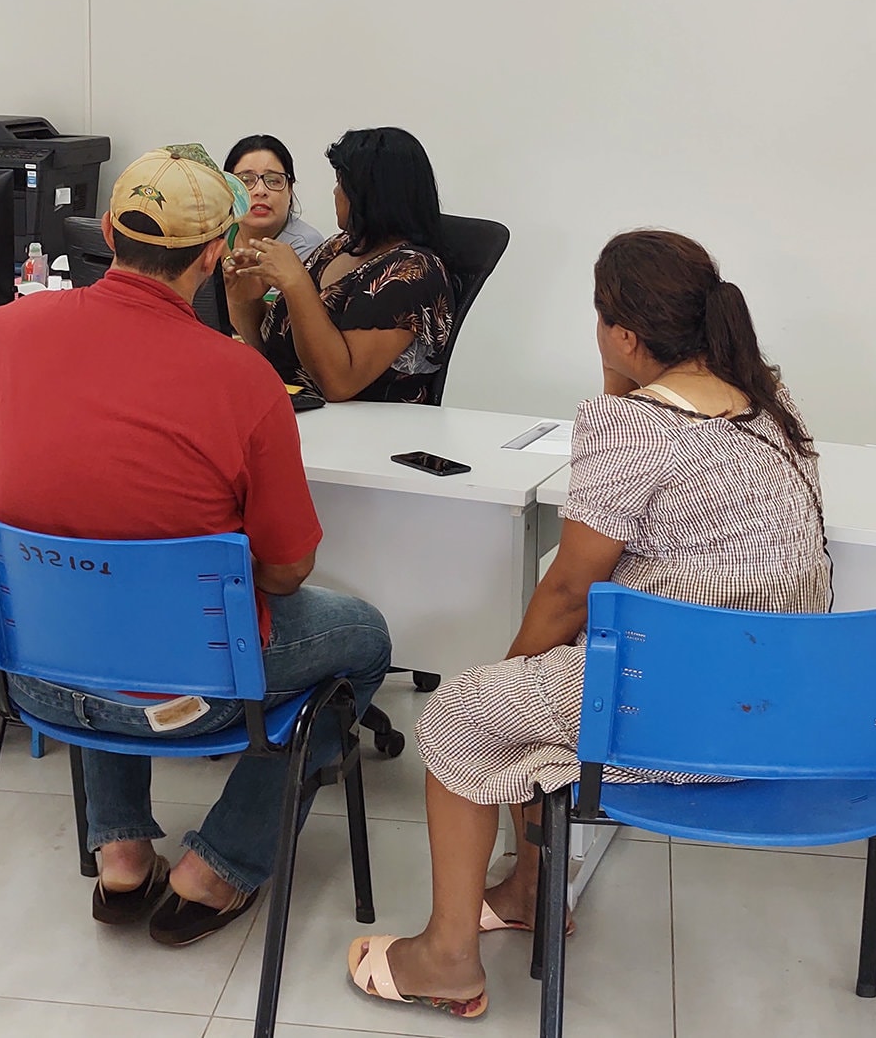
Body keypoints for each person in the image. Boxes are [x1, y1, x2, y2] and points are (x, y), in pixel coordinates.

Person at [0, 144, 392, 947]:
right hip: (196, 697)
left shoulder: (13, 330)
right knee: (365, 640)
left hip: (36, 681)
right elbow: (289, 570)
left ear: (108, 231)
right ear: (212, 253)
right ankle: (220, 864)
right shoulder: (241, 379)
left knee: (98, 588)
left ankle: (120, 853)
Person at [345, 230, 832, 1018]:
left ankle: (446, 957)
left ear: (626, 334)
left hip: (679, 713)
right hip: (777, 705)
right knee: (548, 688)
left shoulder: (632, 425)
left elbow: (570, 588)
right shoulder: (768, 402)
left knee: (467, 711)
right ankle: (532, 892)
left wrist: (505, 679)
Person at [227, 126, 454, 403]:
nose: (335, 193)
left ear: (370, 194)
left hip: (363, 433)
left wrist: (296, 282)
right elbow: (271, 350)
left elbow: (338, 384)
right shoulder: (337, 247)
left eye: (341, 183)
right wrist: (243, 298)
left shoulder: (412, 273)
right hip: (289, 411)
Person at [224, 133, 325, 260]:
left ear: (289, 190)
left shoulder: (307, 244)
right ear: (228, 189)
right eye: (246, 180)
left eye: (273, 180)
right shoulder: (218, 231)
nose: (260, 191)